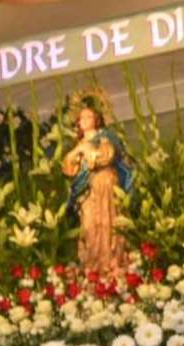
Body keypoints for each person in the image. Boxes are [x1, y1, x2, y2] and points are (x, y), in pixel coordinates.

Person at [62, 99, 134, 278]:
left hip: (105, 183)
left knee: (108, 221)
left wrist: (87, 151)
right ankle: (93, 265)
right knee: (89, 226)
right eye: (81, 117)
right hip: (87, 190)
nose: (85, 120)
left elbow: (106, 157)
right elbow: (69, 169)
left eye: (89, 116)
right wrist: (78, 150)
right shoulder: (78, 143)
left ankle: (112, 263)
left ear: (97, 119)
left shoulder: (105, 137)